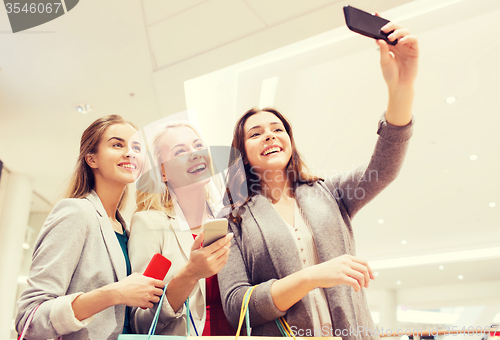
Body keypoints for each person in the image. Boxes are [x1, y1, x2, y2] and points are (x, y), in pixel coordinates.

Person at [218, 21, 418, 339]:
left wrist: (401, 88)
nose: (269, 135)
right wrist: (312, 276)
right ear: (242, 153)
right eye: (256, 134)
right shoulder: (233, 218)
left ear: (290, 141)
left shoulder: (329, 191)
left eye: (277, 129)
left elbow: (385, 167)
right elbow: (238, 307)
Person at [15, 115, 165, 340]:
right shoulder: (75, 213)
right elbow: (29, 318)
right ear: (91, 159)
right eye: (117, 144)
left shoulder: (125, 230)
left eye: (136, 147)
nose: (130, 152)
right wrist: (114, 293)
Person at [128, 121, 233, 335]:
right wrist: (189, 275)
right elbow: (141, 322)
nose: (194, 154)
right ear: (163, 173)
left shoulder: (232, 219)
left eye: (198, 146)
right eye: (180, 152)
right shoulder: (149, 224)